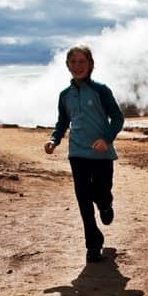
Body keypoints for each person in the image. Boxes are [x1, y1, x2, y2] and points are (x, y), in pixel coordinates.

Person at [44, 45, 124, 263]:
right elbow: (62, 122)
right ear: (67, 65)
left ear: (90, 64)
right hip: (77, 153)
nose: (77, 66)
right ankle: (93, 245)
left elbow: (118, 118)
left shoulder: (101, 90)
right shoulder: (65, 95)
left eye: (82, 61)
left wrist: (106, 139)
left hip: (102, 154)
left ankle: (106, 204)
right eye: (73, 62)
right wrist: (54, 139)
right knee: (83, 197)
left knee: (101, 191)